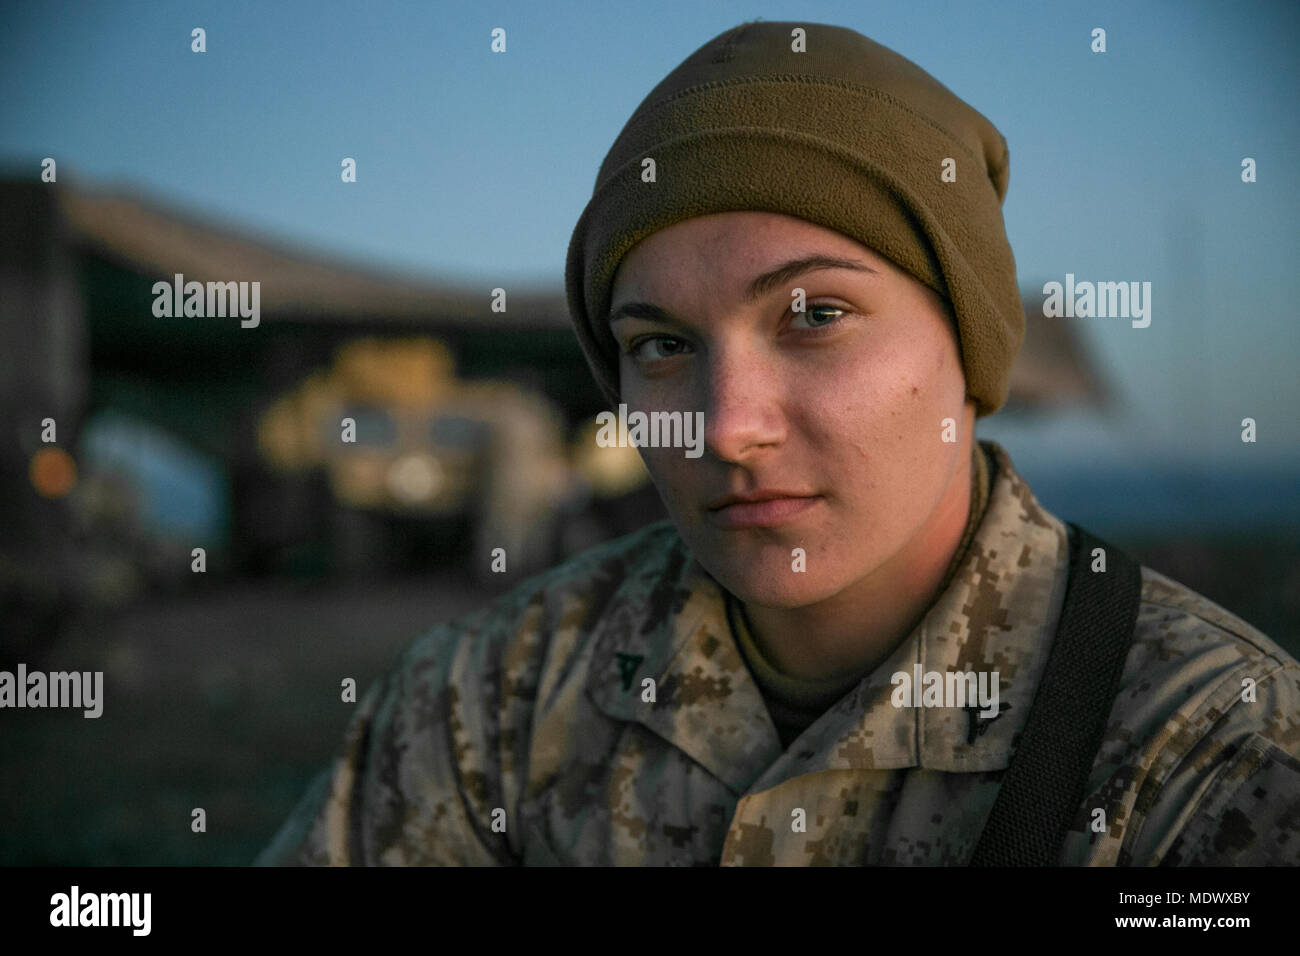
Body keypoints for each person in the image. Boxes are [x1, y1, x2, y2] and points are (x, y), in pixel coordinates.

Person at [256, 20, 1300, 866]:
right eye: (660, 343)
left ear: (968, 348)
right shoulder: (488, 701)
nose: (724, 424)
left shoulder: (1212, 752)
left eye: (814, 316)